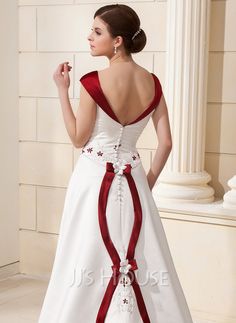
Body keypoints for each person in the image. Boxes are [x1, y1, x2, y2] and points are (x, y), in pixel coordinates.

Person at [38, 4, 193, 323]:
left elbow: (79, 138)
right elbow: (166, 143)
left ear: (118, 40)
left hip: (93, 180)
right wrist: (146, 182)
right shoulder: (153, 83)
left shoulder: (93, 82)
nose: (90, 37)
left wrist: (62, 92)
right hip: (134, 181)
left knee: (85, 253)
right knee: (142, 257)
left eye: (97, 32)